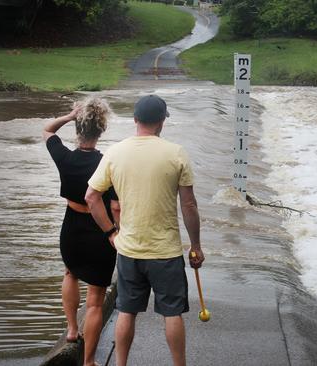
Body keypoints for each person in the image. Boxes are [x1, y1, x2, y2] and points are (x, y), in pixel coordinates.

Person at [85, 94, 204, 366]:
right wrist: (195, 246)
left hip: (129, 249)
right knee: (172, 314)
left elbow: (91, 197)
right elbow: (189, 205)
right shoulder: (176, 153)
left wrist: (110, 233)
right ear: (162, 122)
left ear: (135, 120)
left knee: (126, 311)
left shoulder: (115, 152)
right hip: (165, 251)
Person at [43, 97, 118, 366]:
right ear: (101, 130)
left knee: (70, 273)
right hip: (100, 229)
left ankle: (72, 330)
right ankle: (88, 362)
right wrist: (116, 231)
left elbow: (48, 131)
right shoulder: (108, 162)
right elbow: (115, 205)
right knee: (96, 300)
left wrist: (68, 116)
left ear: (79, 128)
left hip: (71, 227)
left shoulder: (64, 157)